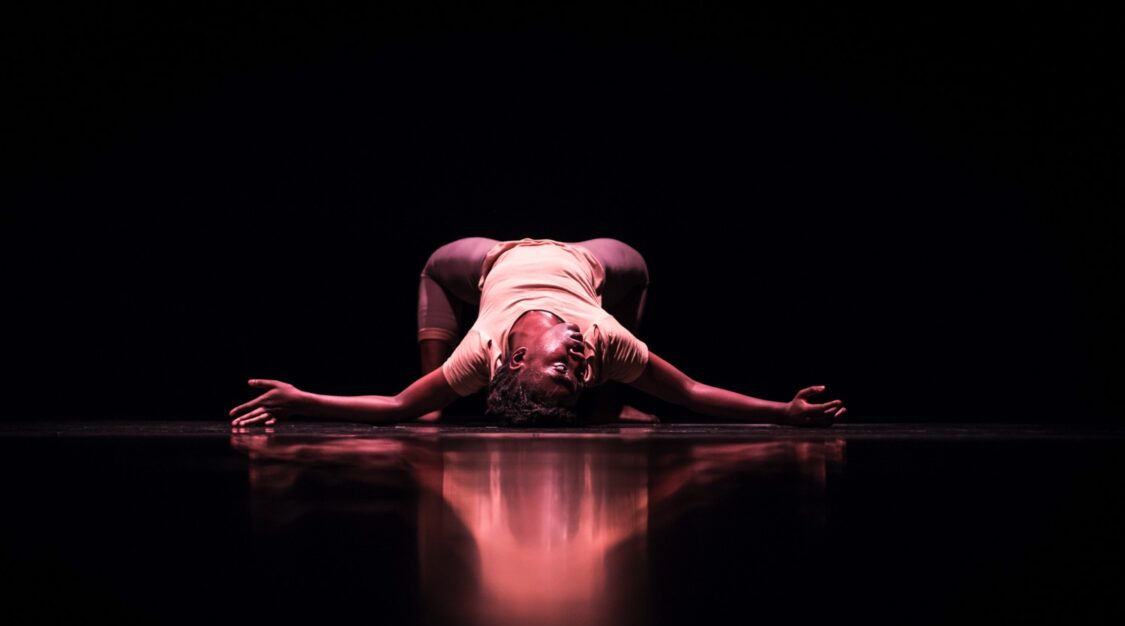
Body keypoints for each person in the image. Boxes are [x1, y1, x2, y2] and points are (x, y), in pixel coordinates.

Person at [229, 237, 847, 428]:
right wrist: (784, 412)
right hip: (585, 259)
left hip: (494, 257)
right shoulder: (603, 342)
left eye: (560, 368)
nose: (576, 361)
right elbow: (690, 392)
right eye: (578, 376)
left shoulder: (482, 352)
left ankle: (437, 406)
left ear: (516, 360)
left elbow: (393, 406)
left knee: (435, 269)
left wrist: (302, 399)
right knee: (636, 268)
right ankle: (614, 399)